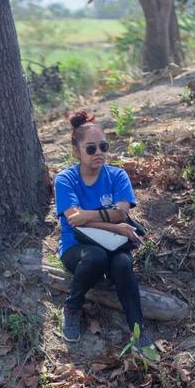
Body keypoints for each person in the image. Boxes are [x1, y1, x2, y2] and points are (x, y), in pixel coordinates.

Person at [53, 110, 152, 349]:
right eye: (91, 148)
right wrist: (115, 226)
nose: (98, 153)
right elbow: (74, 222)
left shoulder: (117, 175)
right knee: (95, 257)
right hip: (76, 248)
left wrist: (89, 215)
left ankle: (138, 330)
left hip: (113, 245)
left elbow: (122, 212)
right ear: (77, 151)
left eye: (103, 147)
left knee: (123, 264)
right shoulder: (65, 179)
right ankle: (72, 306)